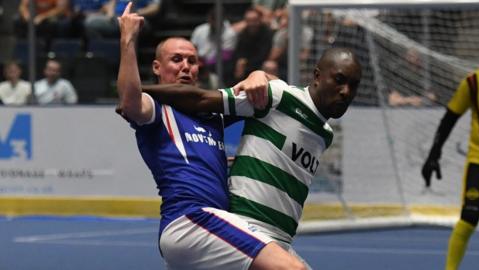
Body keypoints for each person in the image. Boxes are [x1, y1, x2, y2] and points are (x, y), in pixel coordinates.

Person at [116, 3, 306, 270]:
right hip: (190, 219)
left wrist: (258, 74)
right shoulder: (157, 110)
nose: (185, 66)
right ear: (157, 67)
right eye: (177, 59)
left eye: (192, 61)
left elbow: (273, 91)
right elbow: (129, 100)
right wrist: (128, 38)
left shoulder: (211, 112)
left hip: (208, 229)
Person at [143, 47, 362, 266]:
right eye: (339, 80)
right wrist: (136, 90)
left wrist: (262, 73)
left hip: (280, 241)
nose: (345, 91)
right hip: (245, 228)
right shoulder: (279, 97)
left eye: (353, 85)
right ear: (317, 76)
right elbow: (201, 100)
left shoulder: (325, 134)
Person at [422, 70, 479, 270]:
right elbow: (449, 119)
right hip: (478, 161)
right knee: (469, 218)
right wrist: (433, 153)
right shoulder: (473, 83)